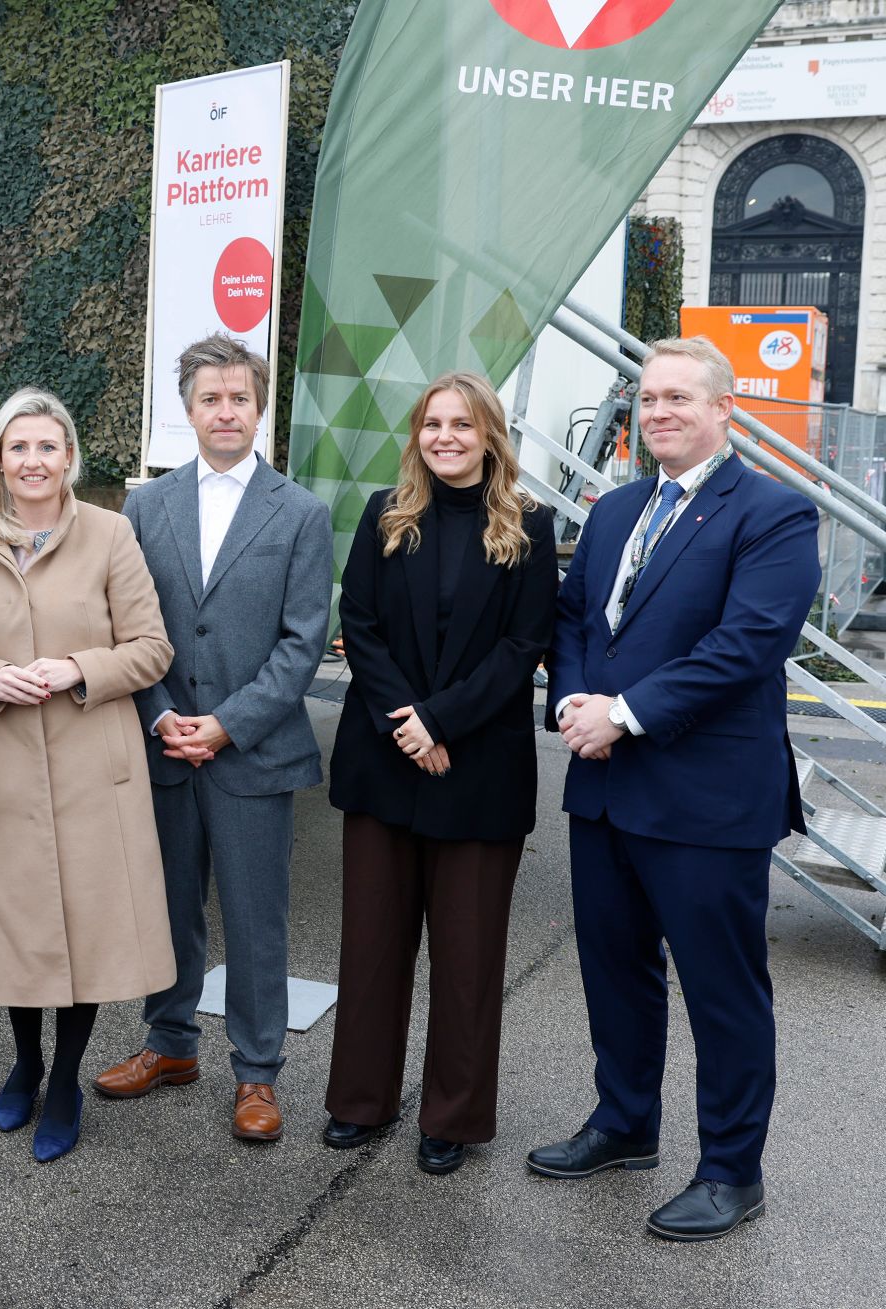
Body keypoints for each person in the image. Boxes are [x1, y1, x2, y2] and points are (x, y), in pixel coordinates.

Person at [535, 336, 820, 1241]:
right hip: (607, 788)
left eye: (678, 399)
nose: (658, 412)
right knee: (615, 971)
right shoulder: (617, 509)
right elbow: (577, 614)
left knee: (722, 991)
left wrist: (622, 713)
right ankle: (625, 1124)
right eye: (648, 398)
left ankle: (733, 1170)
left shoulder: (774, 515)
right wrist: (576, 698)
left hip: (704, 800)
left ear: (724, 409)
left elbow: (746, 646)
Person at [93, 333, 333, 1142]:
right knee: (167, 910)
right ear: (187, 411)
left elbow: (303, 643)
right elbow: (128, 624)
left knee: (255, 917)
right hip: (162, 743)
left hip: (253, 754)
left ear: (259, 409)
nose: (224, 411)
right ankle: (169, 1043)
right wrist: (161, 714)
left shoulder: (300, 512)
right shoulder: (145, 507)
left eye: (239, 398)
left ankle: (257, 1073)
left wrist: (227, 724)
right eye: (210, 398)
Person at [321, 372, 557, 1175]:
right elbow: (359, 622)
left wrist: (441, 721)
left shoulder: (528, 528)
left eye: (462, 423)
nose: (446, 436)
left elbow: (523, 649)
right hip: (386, 763)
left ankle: (450, 1117)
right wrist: (408, 724)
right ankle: (360, 1101)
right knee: (373, 947)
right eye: (432, 423)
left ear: (490, 433)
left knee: (466, 959)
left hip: (478, 769)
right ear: (416, 433)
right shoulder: (388, 515)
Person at [0, 388, 176, 1162]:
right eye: (18, 447)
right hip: (3, 765)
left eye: (47, 447)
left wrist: (78, 666)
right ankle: (26, 1062)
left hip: (92, 766)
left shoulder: (111, 534)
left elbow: (151, 647)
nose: (32, 461)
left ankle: (65, 1078)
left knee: (87, 930)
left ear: (70, 456)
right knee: (19, 930)